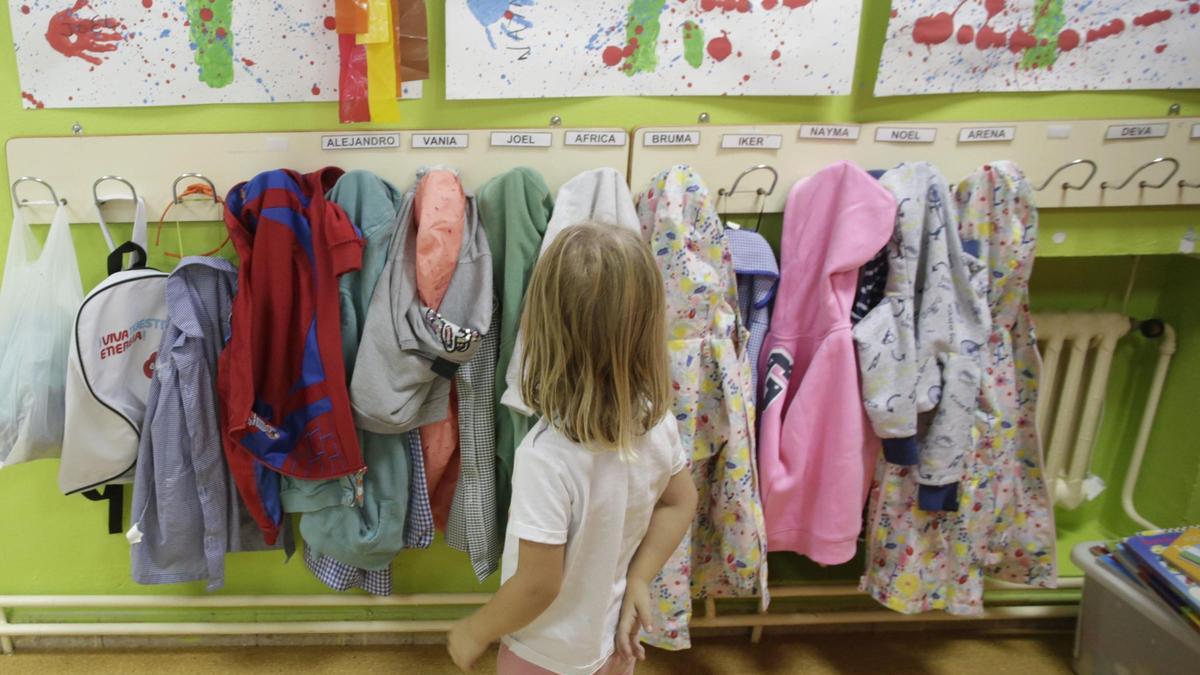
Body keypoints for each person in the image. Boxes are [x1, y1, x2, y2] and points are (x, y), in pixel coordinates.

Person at [447, 223, 698, 674]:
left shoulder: (546, 457)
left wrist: (475, 630)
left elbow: (537, 586)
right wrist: (640, 578)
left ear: (543, 331)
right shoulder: (656, 422)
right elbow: (681, 502)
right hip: (611, 643)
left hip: (544, 655)